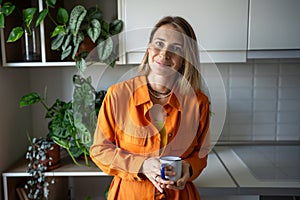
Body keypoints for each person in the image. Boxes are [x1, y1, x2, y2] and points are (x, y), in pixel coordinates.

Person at [90, 16, 210, 200]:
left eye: (176, 49)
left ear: (185, 58)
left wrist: (189, 167)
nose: (164, 54)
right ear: (148, 47)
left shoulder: (198, 102)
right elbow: (100, 150)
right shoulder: (118, 95)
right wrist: (141, 165)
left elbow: (200, 155)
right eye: (159, 44)